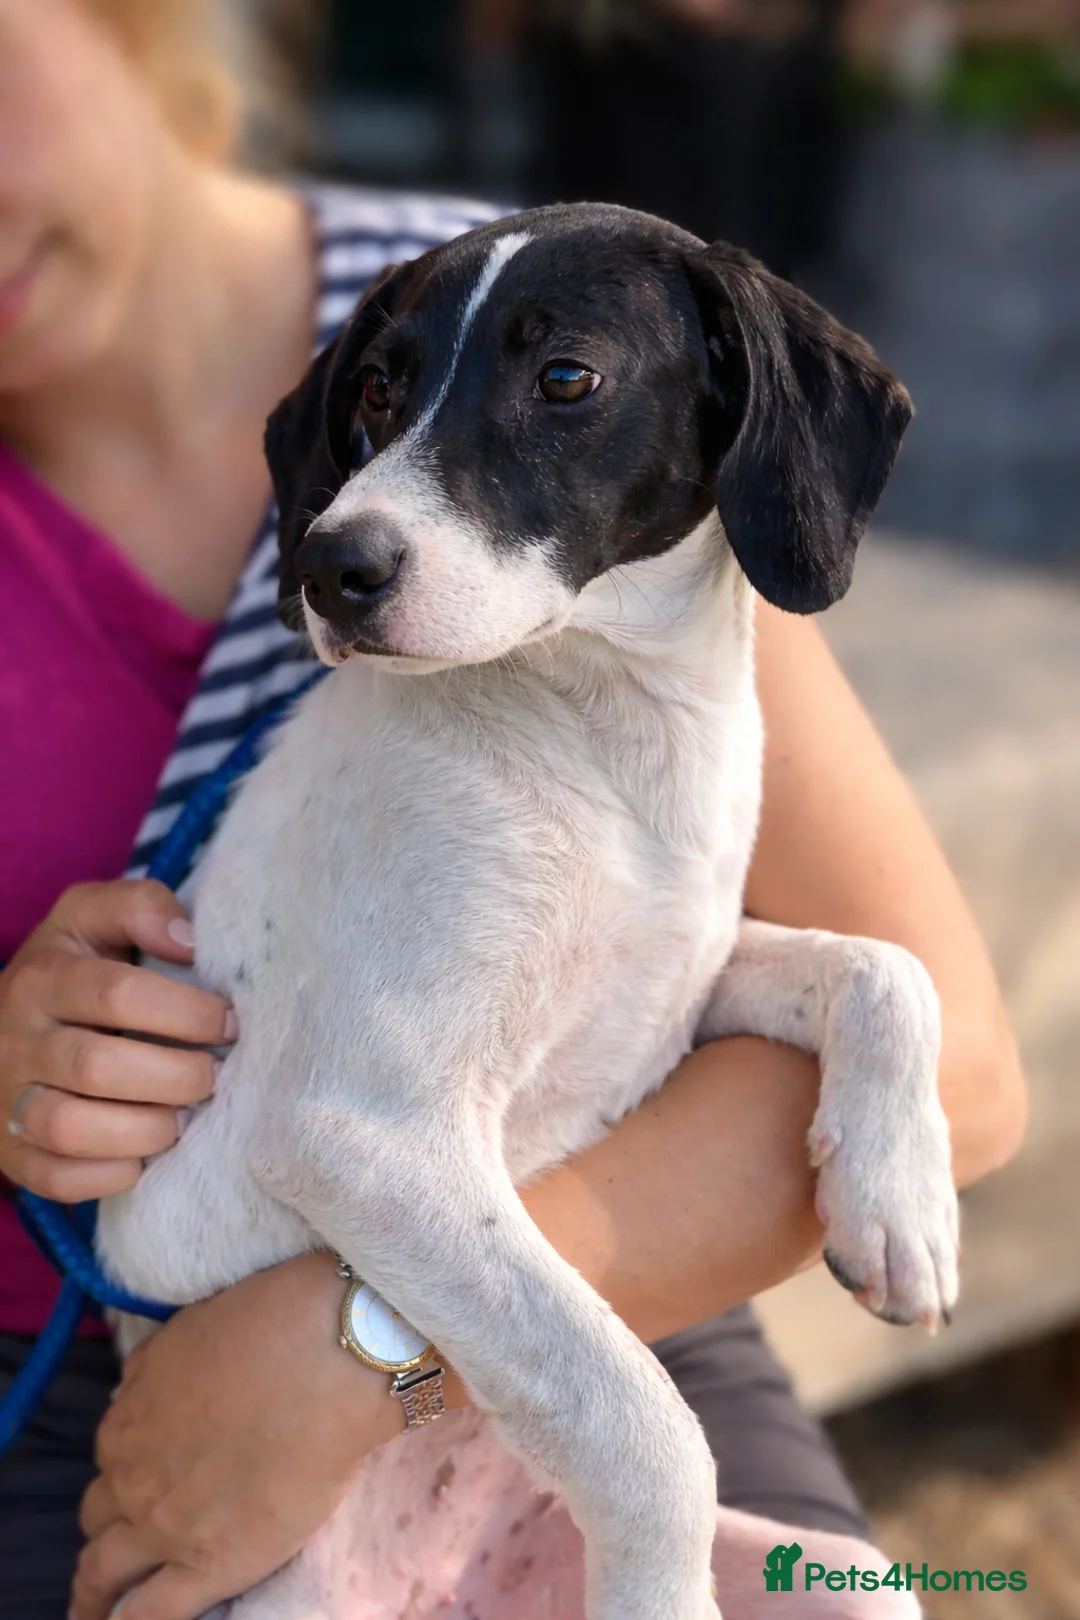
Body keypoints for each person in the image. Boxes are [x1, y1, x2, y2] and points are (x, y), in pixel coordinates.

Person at [0, 3, 1026, 1619]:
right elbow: (366, 1121)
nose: (360, 519)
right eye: (380, 414)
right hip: (174, 1411)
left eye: (561, 384)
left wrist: (362, 1364)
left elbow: (918, 1063)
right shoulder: (407, 439)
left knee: (863, 1596)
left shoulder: (511, 294)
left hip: (552, 1319)